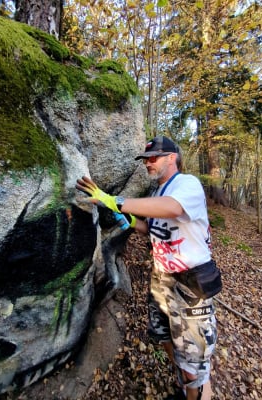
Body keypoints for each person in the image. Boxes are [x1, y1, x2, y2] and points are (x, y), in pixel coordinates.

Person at [76, 136, 222, 400]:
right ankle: (185, 388)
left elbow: (172, 208)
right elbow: (154, 228)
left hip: (190, 286)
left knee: (195, 365)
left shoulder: (187, 184)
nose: (147, 164)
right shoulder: (157, 193)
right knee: (166, 338)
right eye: (145, 159)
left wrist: (113, 200)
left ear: (171, 158)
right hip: (162, 280)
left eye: (153, 158)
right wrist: (130, 221)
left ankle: (196, 390)